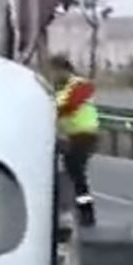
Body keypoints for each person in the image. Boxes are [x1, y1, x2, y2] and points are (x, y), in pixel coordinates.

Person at [46, 55, 99, 226]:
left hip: (84, 134)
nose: (53, 75)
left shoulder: (80, 85)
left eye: (55, 71)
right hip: (71, 136)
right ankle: (75, 210)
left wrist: (50, 106)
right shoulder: (59, 89)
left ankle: (86, 213)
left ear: (64, 70)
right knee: (72, 173)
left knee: (76, 172)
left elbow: (68, 105)